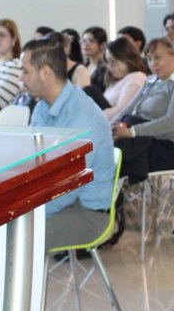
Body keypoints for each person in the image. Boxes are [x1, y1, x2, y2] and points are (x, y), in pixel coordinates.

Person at [22, 34, 117, 251]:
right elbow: (32, 163)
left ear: (46, 73)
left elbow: (67, 187)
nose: (21, 78)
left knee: (12, 240)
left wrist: (22, 212)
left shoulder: (82, 118)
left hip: (85, 213)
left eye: (25, 71)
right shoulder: (42, 106)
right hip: (56, 200)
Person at [112, 37, 174, 185]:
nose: (153, 63)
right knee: (122, 128)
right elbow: (129, 108)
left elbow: (172, 122)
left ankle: (106, 189)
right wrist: (111, 126)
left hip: (167, 147)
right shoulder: (151, 80)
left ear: (173, 54)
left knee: (115, 149)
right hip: (139, 142)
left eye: (158, 57)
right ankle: (108, 190)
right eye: (149, 59)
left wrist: (132, 132)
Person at [101, 36, 148, 122]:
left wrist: (93, 116)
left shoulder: (136, 77)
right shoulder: (114, 80)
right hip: (104, 120)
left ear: (126, 58)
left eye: (113, 61)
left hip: (116, 123)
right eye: (107, 62)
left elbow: (122, 110)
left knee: (91, 90)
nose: (110, 66)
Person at [81, 26, 109, 91]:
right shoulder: (82, 66)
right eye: (84, 41)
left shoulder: (106, 68)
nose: (85, 44)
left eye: (91, 41)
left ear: (103, 45)